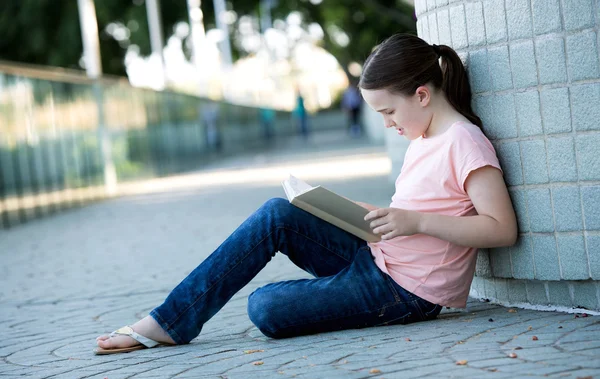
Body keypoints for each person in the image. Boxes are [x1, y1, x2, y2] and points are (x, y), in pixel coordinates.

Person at [95, 33, 517, 355]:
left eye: (388, 111)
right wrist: (342, 209)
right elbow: (408, 214)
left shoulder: (465, 142)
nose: (388, 123)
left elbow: (501, 229)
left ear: (422, 95)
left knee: (264, 308)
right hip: (378, 256)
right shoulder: (424, 135)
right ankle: (169, 321)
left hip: (406, 293)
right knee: (279, 212)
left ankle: (339, 293)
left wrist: (417, 222)